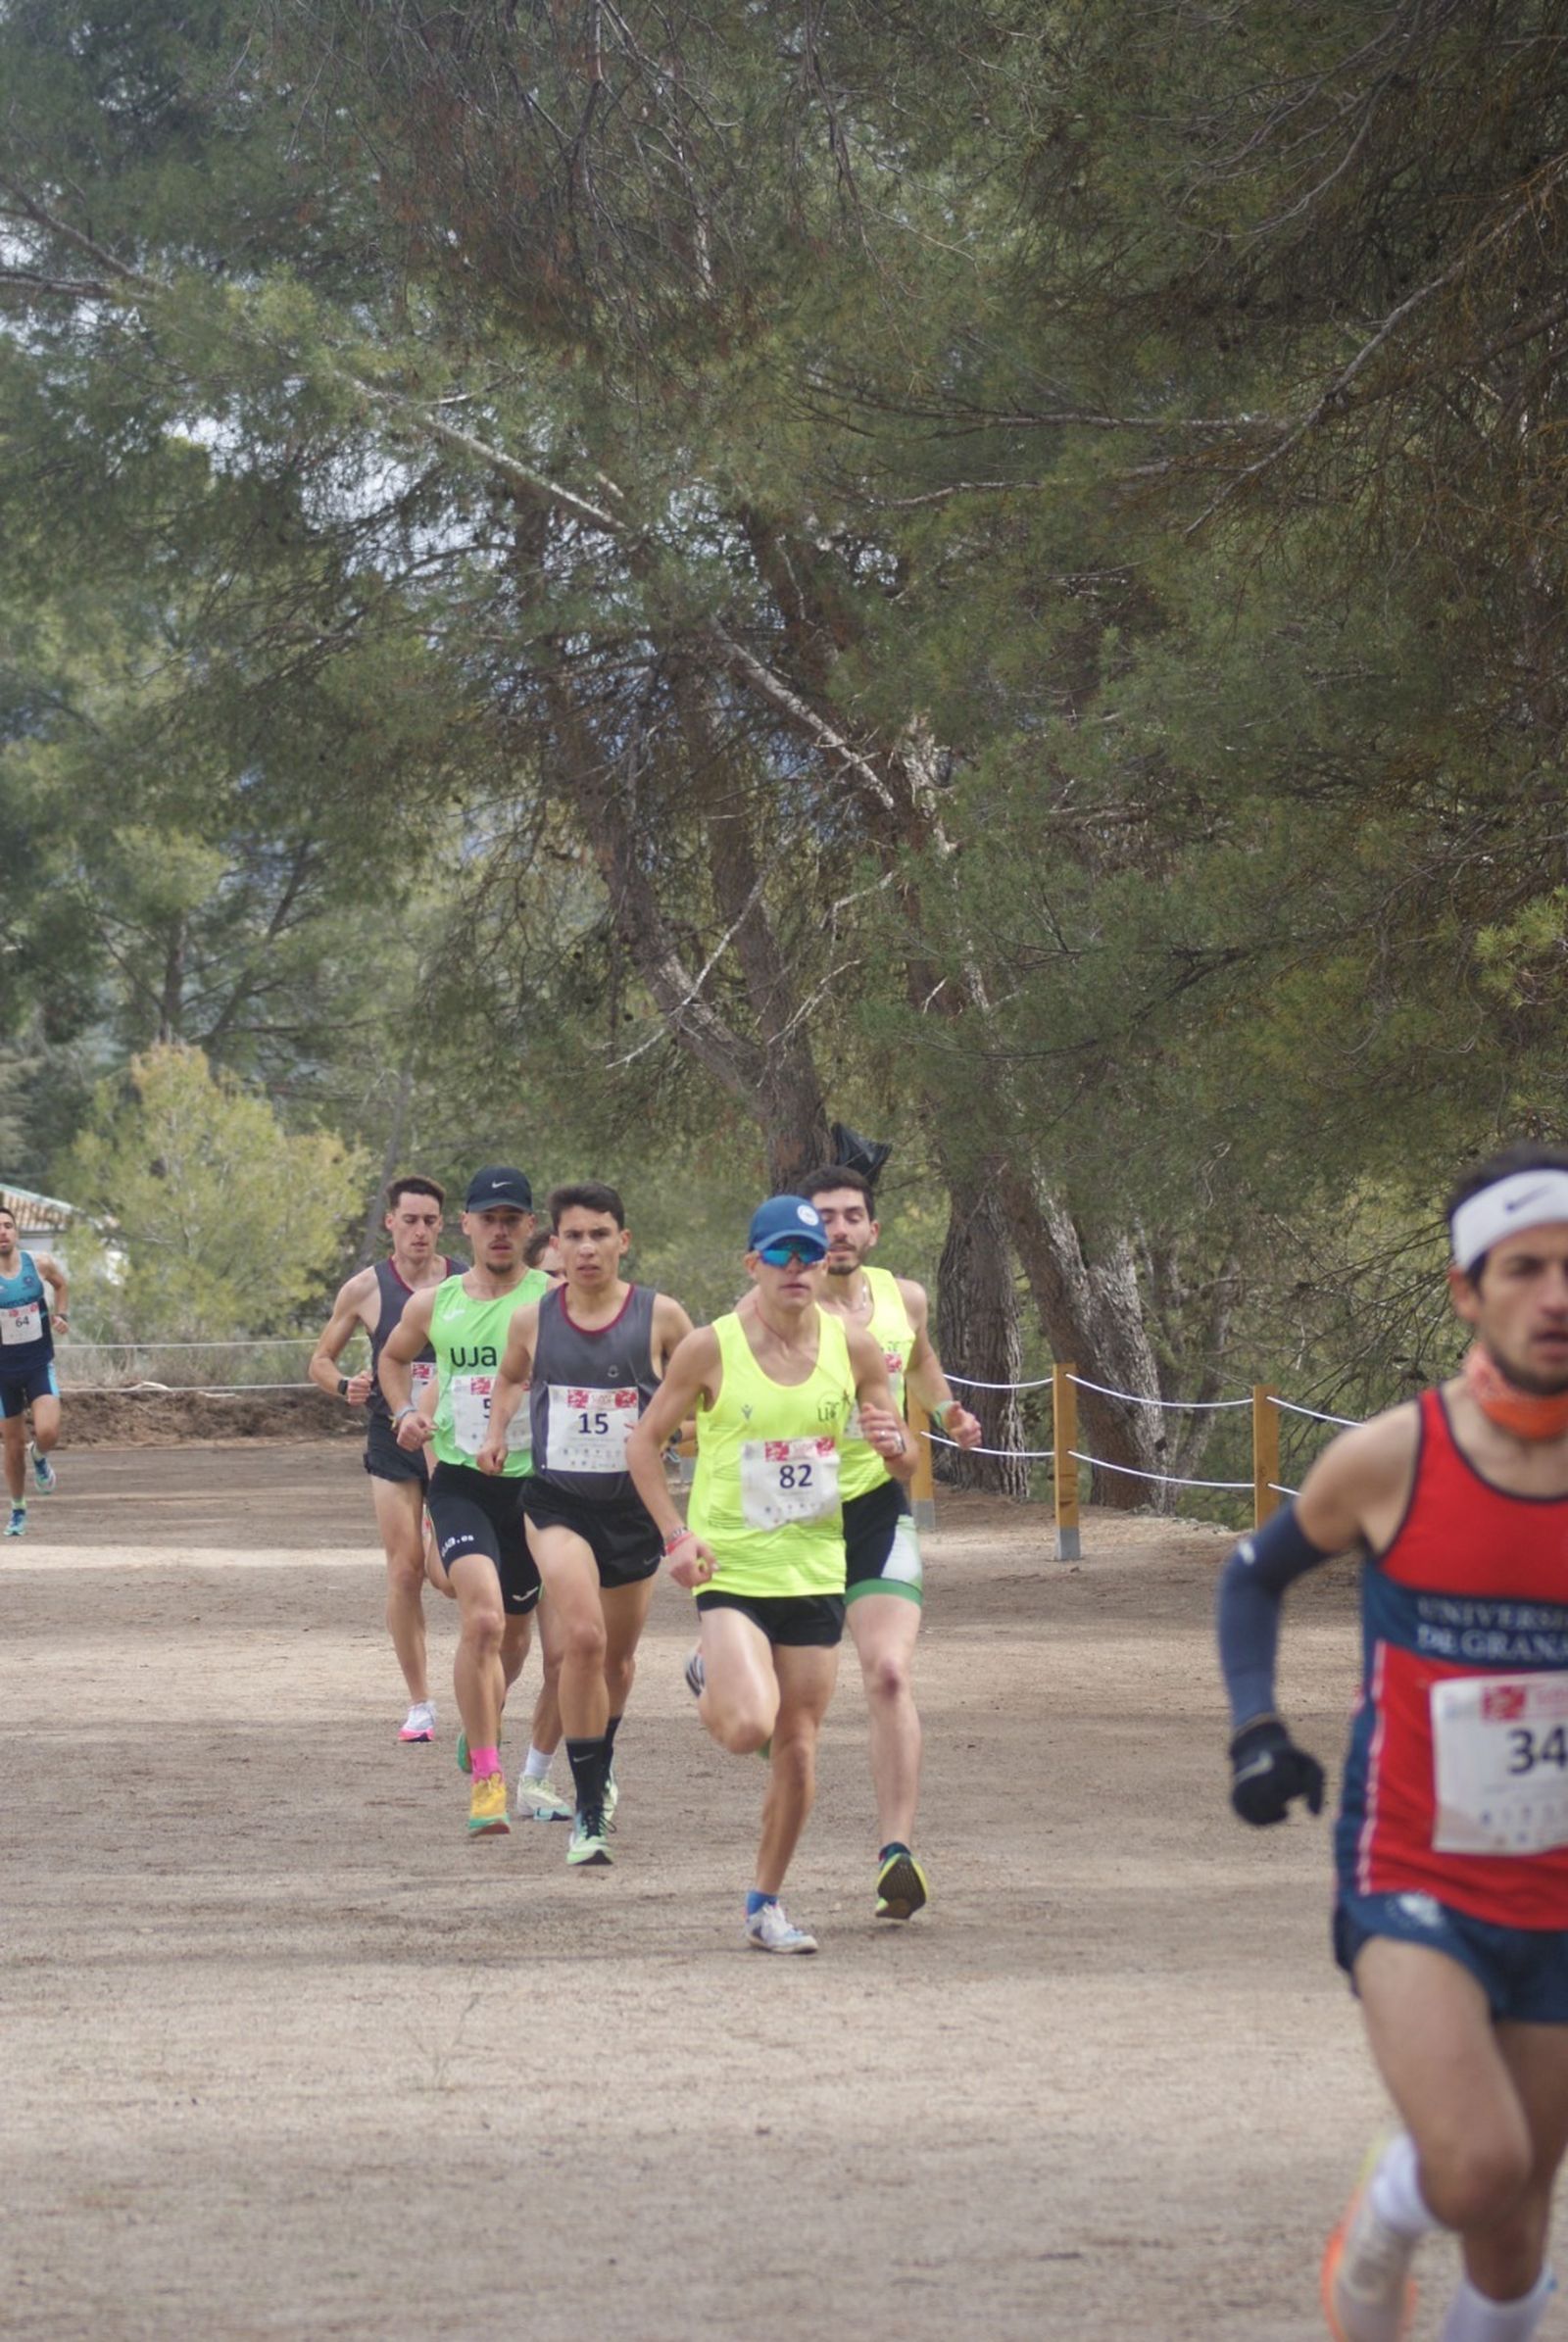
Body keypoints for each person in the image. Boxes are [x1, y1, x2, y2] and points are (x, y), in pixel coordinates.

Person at [1217, 1142, 1568, 2342]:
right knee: (1473, 2166)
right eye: (1522, 1268)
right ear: (1466, 1291)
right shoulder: (1394, 1453)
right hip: (1413, 1867)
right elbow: (1251, 1575)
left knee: (1515, 2229)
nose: (1556, 1295)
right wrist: (1257, 1728)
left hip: (1561, 1890)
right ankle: (1379, 2222)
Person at [626, 1195, 914, 1953]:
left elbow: (901, 1449)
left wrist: (896, 1442)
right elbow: (644, 1443)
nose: (796, 1268)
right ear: (752, 1263)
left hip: (816, 1569)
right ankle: (710, 1671)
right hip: (731, 1565)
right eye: (780, 1254)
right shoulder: (708, 1348)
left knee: (798, 1747)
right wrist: (675, 1537)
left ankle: (765, 1905)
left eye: (809, 1255)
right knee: (750, 1723)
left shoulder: (852, 1347)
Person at [480, 1182, 694, 1867]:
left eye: (600, 1234)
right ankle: (588, 1811)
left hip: (634, 1512)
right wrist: (496, 1430)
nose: (587, 1248)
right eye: (573, 1236)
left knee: (619, 1662)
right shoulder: (532, 1320)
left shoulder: (661, 1318)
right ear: (556, 1246)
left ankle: (597, 1770)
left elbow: (712, 1393)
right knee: (581, 1638)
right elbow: (511, 1378)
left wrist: (679, 1431)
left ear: (623, 1241)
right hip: (556, 1505)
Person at [796, 1163, 981, 1921]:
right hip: (793, 1521)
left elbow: (923, 1358)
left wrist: (946, 1411)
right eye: (824, 1219)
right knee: (781, 1706)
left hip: (876, 1507)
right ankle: (724, 1645)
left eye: (851, 1217)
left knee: (890, 1675)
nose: (838, 1230)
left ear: (872, 1230)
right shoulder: (774, 1311)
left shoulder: (903, 1298)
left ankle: (895, 1852)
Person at [379, 1168, 552, 1837]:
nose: (502, 1229)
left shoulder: (553, 1299)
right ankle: (487, 1778)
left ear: (530, 1228)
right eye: (490, 1218)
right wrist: (402, 1414)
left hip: (538, 1490)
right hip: (460, 1483)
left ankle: (485, 1711)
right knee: (480, 1620)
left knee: (514, 1632)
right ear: (469, 1227)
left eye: (514, 1218)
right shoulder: (437, 1304)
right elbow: (394, 1360)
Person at [310, 1176, 466, 1740]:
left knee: (448, 1577)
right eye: (410, 1220)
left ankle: (479, 1678)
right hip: (390, 1438)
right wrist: (343, 1383)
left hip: (454, 1442)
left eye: (430, 1221)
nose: (420, 1231)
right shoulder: (365, 1289)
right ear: (390, 1224)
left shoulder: (467, 1284)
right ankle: (420, 1704)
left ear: (442, 1225)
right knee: (403, 1571)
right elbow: (320, 1360)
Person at [0, 1205, 69, 1538]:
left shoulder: (37, 1264)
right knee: (11, 1446)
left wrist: (62, 1316)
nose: (2, 1232)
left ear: (17, 1233)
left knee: (48, 1432)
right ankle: (17, 1509)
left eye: (8, 1226)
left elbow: (61, 1284)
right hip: (3, 1375)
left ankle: (39, 1456)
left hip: (38, 1365)